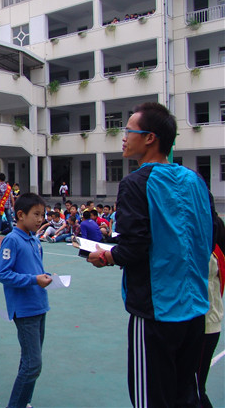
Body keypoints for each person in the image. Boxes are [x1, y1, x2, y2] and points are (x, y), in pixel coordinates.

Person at [87, 102, 217, 407]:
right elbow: (210, 237)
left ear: (150, 138)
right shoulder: (196, 181)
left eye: (128, 130)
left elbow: (134, 247)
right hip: (195, 310)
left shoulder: (136, 183)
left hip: (156, 312)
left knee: (151, 399)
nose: (123, 137)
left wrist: (106, 256)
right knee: (187, 396)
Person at [0, 193, 52, 407]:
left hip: (39, 305)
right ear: (20, 215)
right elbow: (3, 274)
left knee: (29, 360)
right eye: (36, 214)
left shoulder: (34, 239)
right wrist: (34, 279)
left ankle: (24, 401)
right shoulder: (12, 239)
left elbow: (35, 269)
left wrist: (44, 277)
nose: (40, 219)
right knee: (33, 364)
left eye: (42, 214)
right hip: (25, 309)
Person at [196, 214, 224, 408]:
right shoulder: (216, 253)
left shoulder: (208, 257)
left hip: (204, 326)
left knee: (195, 389)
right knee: (196, 386)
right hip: (209, 324)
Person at [0, 173, 13, 238]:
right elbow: (11, 196)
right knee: (10, 220)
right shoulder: (8, 187)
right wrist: (13, 205)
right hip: (8, 205)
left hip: (1, 206)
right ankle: (13, 233)